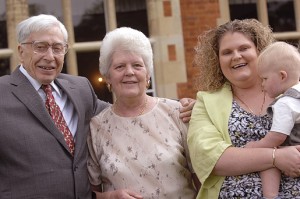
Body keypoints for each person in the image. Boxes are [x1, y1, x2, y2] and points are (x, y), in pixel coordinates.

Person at [0, 14, 195, 199]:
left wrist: (180, 105)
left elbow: (127, 109)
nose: (50, 56)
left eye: (58, 48)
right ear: (20, 51)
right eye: (40, 47)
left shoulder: (80, 89)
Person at [187, 18, 300, 199]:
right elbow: (212, 159)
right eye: (226, 52)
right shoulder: (206, 103)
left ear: (259, 51)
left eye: (243, 48)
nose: (236, 56)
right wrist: (275, 157)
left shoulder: (292, 92)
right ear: (217, 61)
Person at [87, 27, 200, 199]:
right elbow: (89, 194)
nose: (129, 72)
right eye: (119, 66)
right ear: (108, 77)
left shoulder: (177, 113)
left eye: (137, 65)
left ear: (148, 74)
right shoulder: (96, 128)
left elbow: (202, 179)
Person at [245, 41, 300, 199]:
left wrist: (258, 146)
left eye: (265, 78)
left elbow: (278, 136)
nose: (262, 85)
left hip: (295, 150)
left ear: (282, 76)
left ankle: (270, 195)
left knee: (269, 157)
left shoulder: (285, 103)